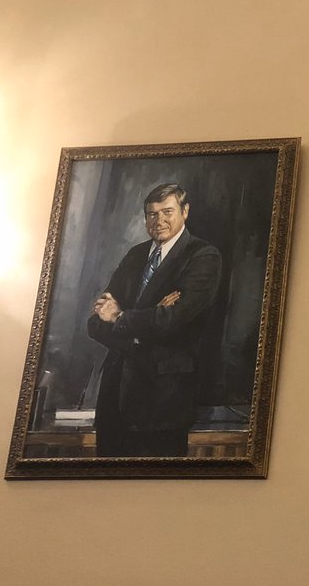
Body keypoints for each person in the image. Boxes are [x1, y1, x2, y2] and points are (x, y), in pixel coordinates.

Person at [87, 183, 222, 456]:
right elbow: (96, 322)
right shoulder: (135, 255)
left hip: (162, 402)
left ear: (185, 211)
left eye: (167, 212)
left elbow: (173, 321)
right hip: (114, 401)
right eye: (151, 214)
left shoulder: (203, 256)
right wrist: (141, 320)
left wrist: (121, 317)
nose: (158, 220)